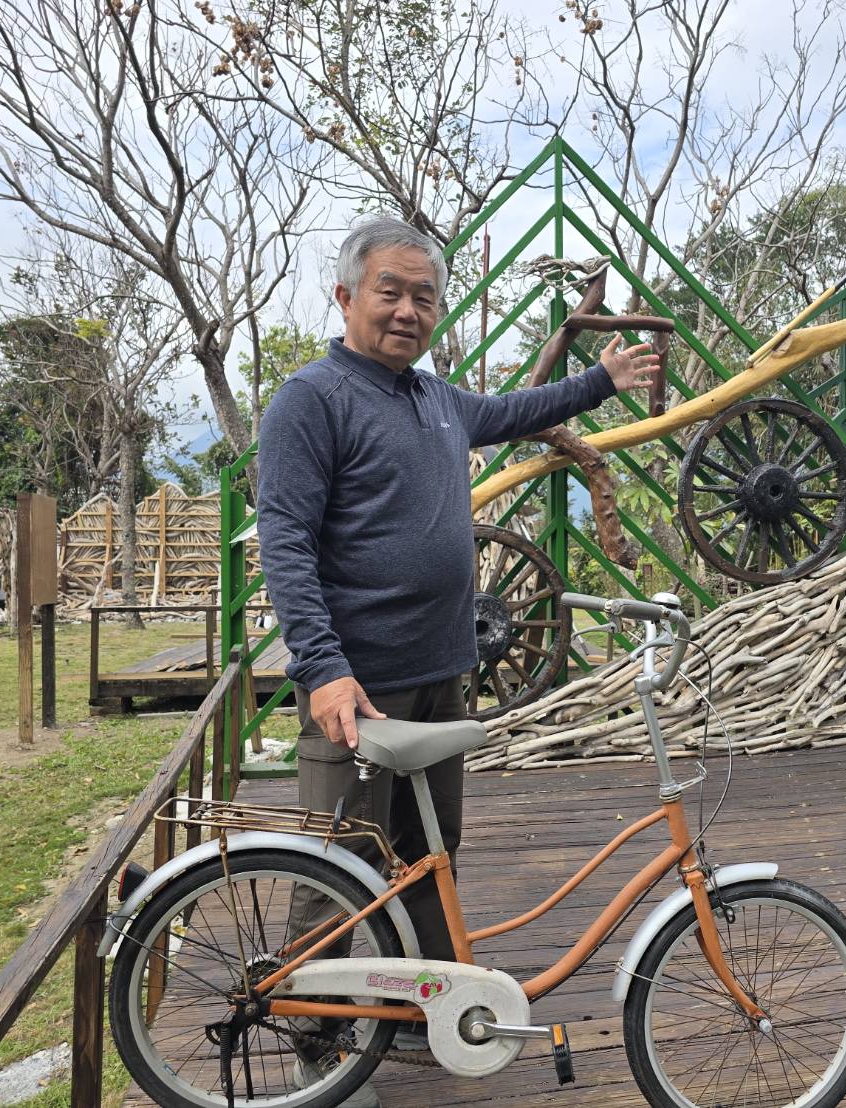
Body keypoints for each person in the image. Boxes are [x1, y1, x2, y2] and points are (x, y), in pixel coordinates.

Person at [256, 215, 657, 1099]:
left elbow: (515, 411)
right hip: (359, 687)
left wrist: (600, 380)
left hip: (440, 677)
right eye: (389, 292)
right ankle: (311, 1038)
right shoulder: (312, 400)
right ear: (346, 297)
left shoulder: (434, 399)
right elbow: (283, 541)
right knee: (338, 866)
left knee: (426, 854)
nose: (407, 310)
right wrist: (322, 667)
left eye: (424, 297)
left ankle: (424, 1008)